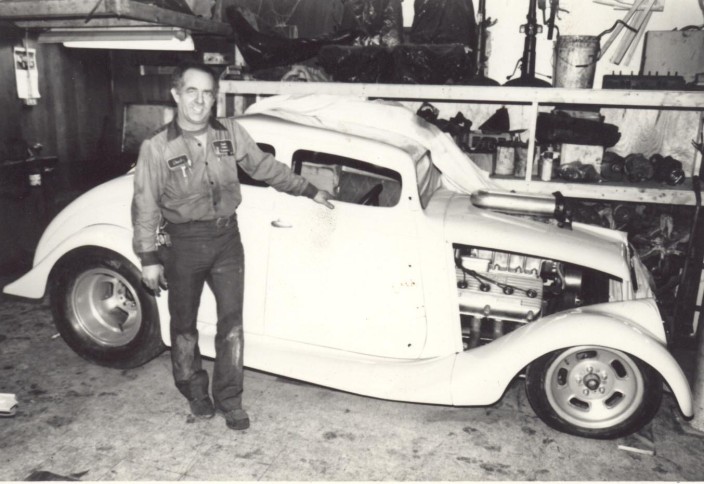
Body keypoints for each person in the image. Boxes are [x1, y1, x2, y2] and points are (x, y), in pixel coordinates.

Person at [131, 62, 335, 430]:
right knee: (184, 326)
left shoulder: (231, 133)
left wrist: (308, 189)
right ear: (176, 95)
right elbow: (145, 204)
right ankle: (194, 391)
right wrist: (148, 258)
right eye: (192, 91)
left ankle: (230, 399)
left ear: (215, 98)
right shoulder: (156, 146)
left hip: (227, 239)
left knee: (232, 325)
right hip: (183, 243)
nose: (200, 100)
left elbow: (264, 167)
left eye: (208, 93)